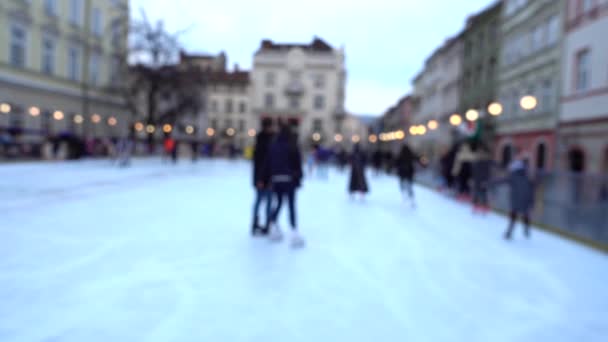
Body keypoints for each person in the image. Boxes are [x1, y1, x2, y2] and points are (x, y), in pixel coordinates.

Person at [265, 124, 304, 247]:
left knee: (278, 203)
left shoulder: (273, 146)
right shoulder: (292, 146)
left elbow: (268, 163)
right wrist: (298, 178)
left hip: (276, 179)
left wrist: (266, 178)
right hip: (289, 179)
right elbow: (297, 165)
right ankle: (294, 232)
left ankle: (272, 226)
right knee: (291, 205)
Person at [492, 154, 535, 240]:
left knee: (514, 215)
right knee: (525, 214)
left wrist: (490, 182)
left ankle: (509, 232)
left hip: (516, 199)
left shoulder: (514, 176)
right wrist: (532, 201)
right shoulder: (528, 175)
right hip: (526, 199)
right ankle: (525, 229)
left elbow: (501, 181)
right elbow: (532, 189)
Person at [251, 118, 274, 236]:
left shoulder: (262, 140)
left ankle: (261, 223)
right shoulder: (265, 142)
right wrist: (260, 179)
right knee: (264, 201)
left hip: (263, 177)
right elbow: (260, 163)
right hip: (264, 178)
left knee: (262, 201)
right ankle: (263, 224)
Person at [471, 145, 494, 213]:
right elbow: (474, 172)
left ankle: (484, 207)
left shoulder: (486, 163)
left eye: (481, 153)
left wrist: (486, 181)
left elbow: (488, 173)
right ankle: (476, 206)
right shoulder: (476, 162)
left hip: (483, 181)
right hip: (477, 180)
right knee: (477, 193)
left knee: (483, 194)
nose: (480, 154)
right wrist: (472, 179)